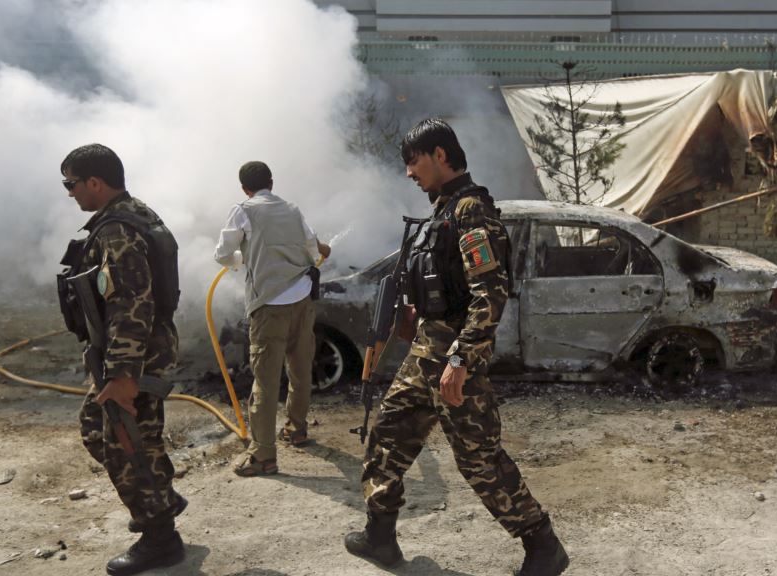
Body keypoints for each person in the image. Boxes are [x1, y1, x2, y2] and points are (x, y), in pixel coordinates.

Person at [343, 119, 570, 576]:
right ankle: (380, 537)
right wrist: (416, 314)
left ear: (440, 155)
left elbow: (490, 293)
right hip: (427, 352)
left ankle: (544, 547)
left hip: (452, 358)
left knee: (479, 458)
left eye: (414, 161)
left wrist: (462, 360)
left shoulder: (472, 211)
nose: (409, 172)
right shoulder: (443, 212)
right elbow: (446, 284)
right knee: (386, 437)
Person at [58, 144, 186, 575]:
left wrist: (123, 375)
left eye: (71, 184)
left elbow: (132, 304)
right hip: (140, 351)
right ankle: (162, 500)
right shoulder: (133, 213)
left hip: (137, 356)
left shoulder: (117, 229)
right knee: (109, 433)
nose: (70, 193)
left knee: (124, 443)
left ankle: (160, 538)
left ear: (94, 182)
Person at [214, 161, 330, 476]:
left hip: (269, 306)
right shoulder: (292, 209)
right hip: (303, 301)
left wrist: (243, 258)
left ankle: (263, 456)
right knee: (301, 368)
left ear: (244, 188)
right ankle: (297, 429)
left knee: (265, 382)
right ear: (272, 182)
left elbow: (223, 254)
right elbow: (312, 247)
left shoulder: (242, 210)